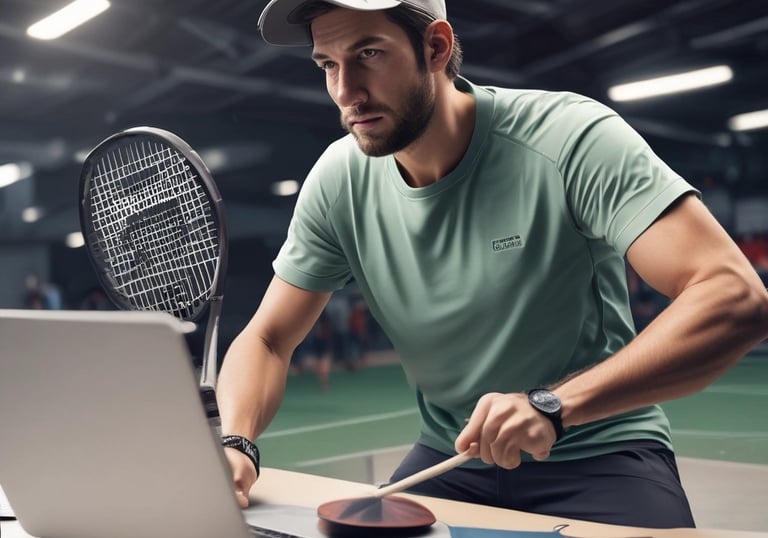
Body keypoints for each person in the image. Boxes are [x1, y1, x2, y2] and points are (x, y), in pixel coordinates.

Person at [215, 0, 768, 528]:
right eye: (327, 64)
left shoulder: (569, 136)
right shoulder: (338, 181)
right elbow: (266, 338)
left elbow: (734, 296)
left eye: (369, 55)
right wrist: (236, 443)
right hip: (450, 458)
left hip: (600, 450)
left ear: (435, 47)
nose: (346, 92)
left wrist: (554, 405)